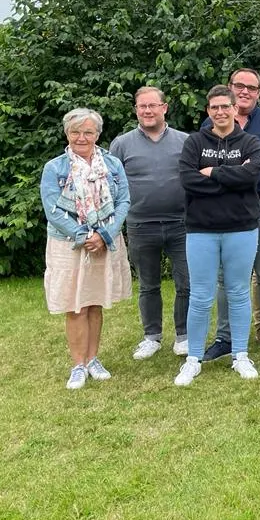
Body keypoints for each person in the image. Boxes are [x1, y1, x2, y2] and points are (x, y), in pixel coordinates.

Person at [201, 68, 260, 364]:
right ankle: (225, 338)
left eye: (252, 87)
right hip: (224, 208)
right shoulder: (211, 123)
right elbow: (200, 170)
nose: (245, 91)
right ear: (229, 88)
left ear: (259, 93)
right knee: (225, 276)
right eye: (239, 85)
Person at [174, 86, 260, 386]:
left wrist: (212, 172)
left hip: (242, 228)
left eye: (225, 106)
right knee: (201, 295)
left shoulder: (250, 142)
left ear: (235, 108)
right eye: (215, 107)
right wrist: (232, 178)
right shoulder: (195, 142)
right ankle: (193, 358)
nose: (220, 112)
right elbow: (188, 179)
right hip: (201, 229)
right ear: (208, 111)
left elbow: (250, 176)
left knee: (238, 292)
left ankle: (240, 354)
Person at [40, 108, 132, 389]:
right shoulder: (54, 168)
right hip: (69, 244)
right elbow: (53, 210)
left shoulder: (113, 164)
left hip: (105, 241)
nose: (81, 137)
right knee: (75, 306)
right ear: (67, 133)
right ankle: (78, 365)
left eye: (88, 132)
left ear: (97, 135)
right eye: (75, 132)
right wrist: (84, 235)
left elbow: (124, 201)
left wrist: (103, 235)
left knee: (94, 302)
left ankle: (93, 359)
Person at [109, 87, 190, 360]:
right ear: (136, 110)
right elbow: (112, 185)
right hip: (141, 225)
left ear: (164, 108)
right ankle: (151, 336)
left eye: (152, 105)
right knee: (148, 285)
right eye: (142, 106)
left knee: (186, 283)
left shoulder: (185, 141)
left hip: (181, 224)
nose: (147, 111)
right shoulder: (121, 144)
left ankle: (184, 335)